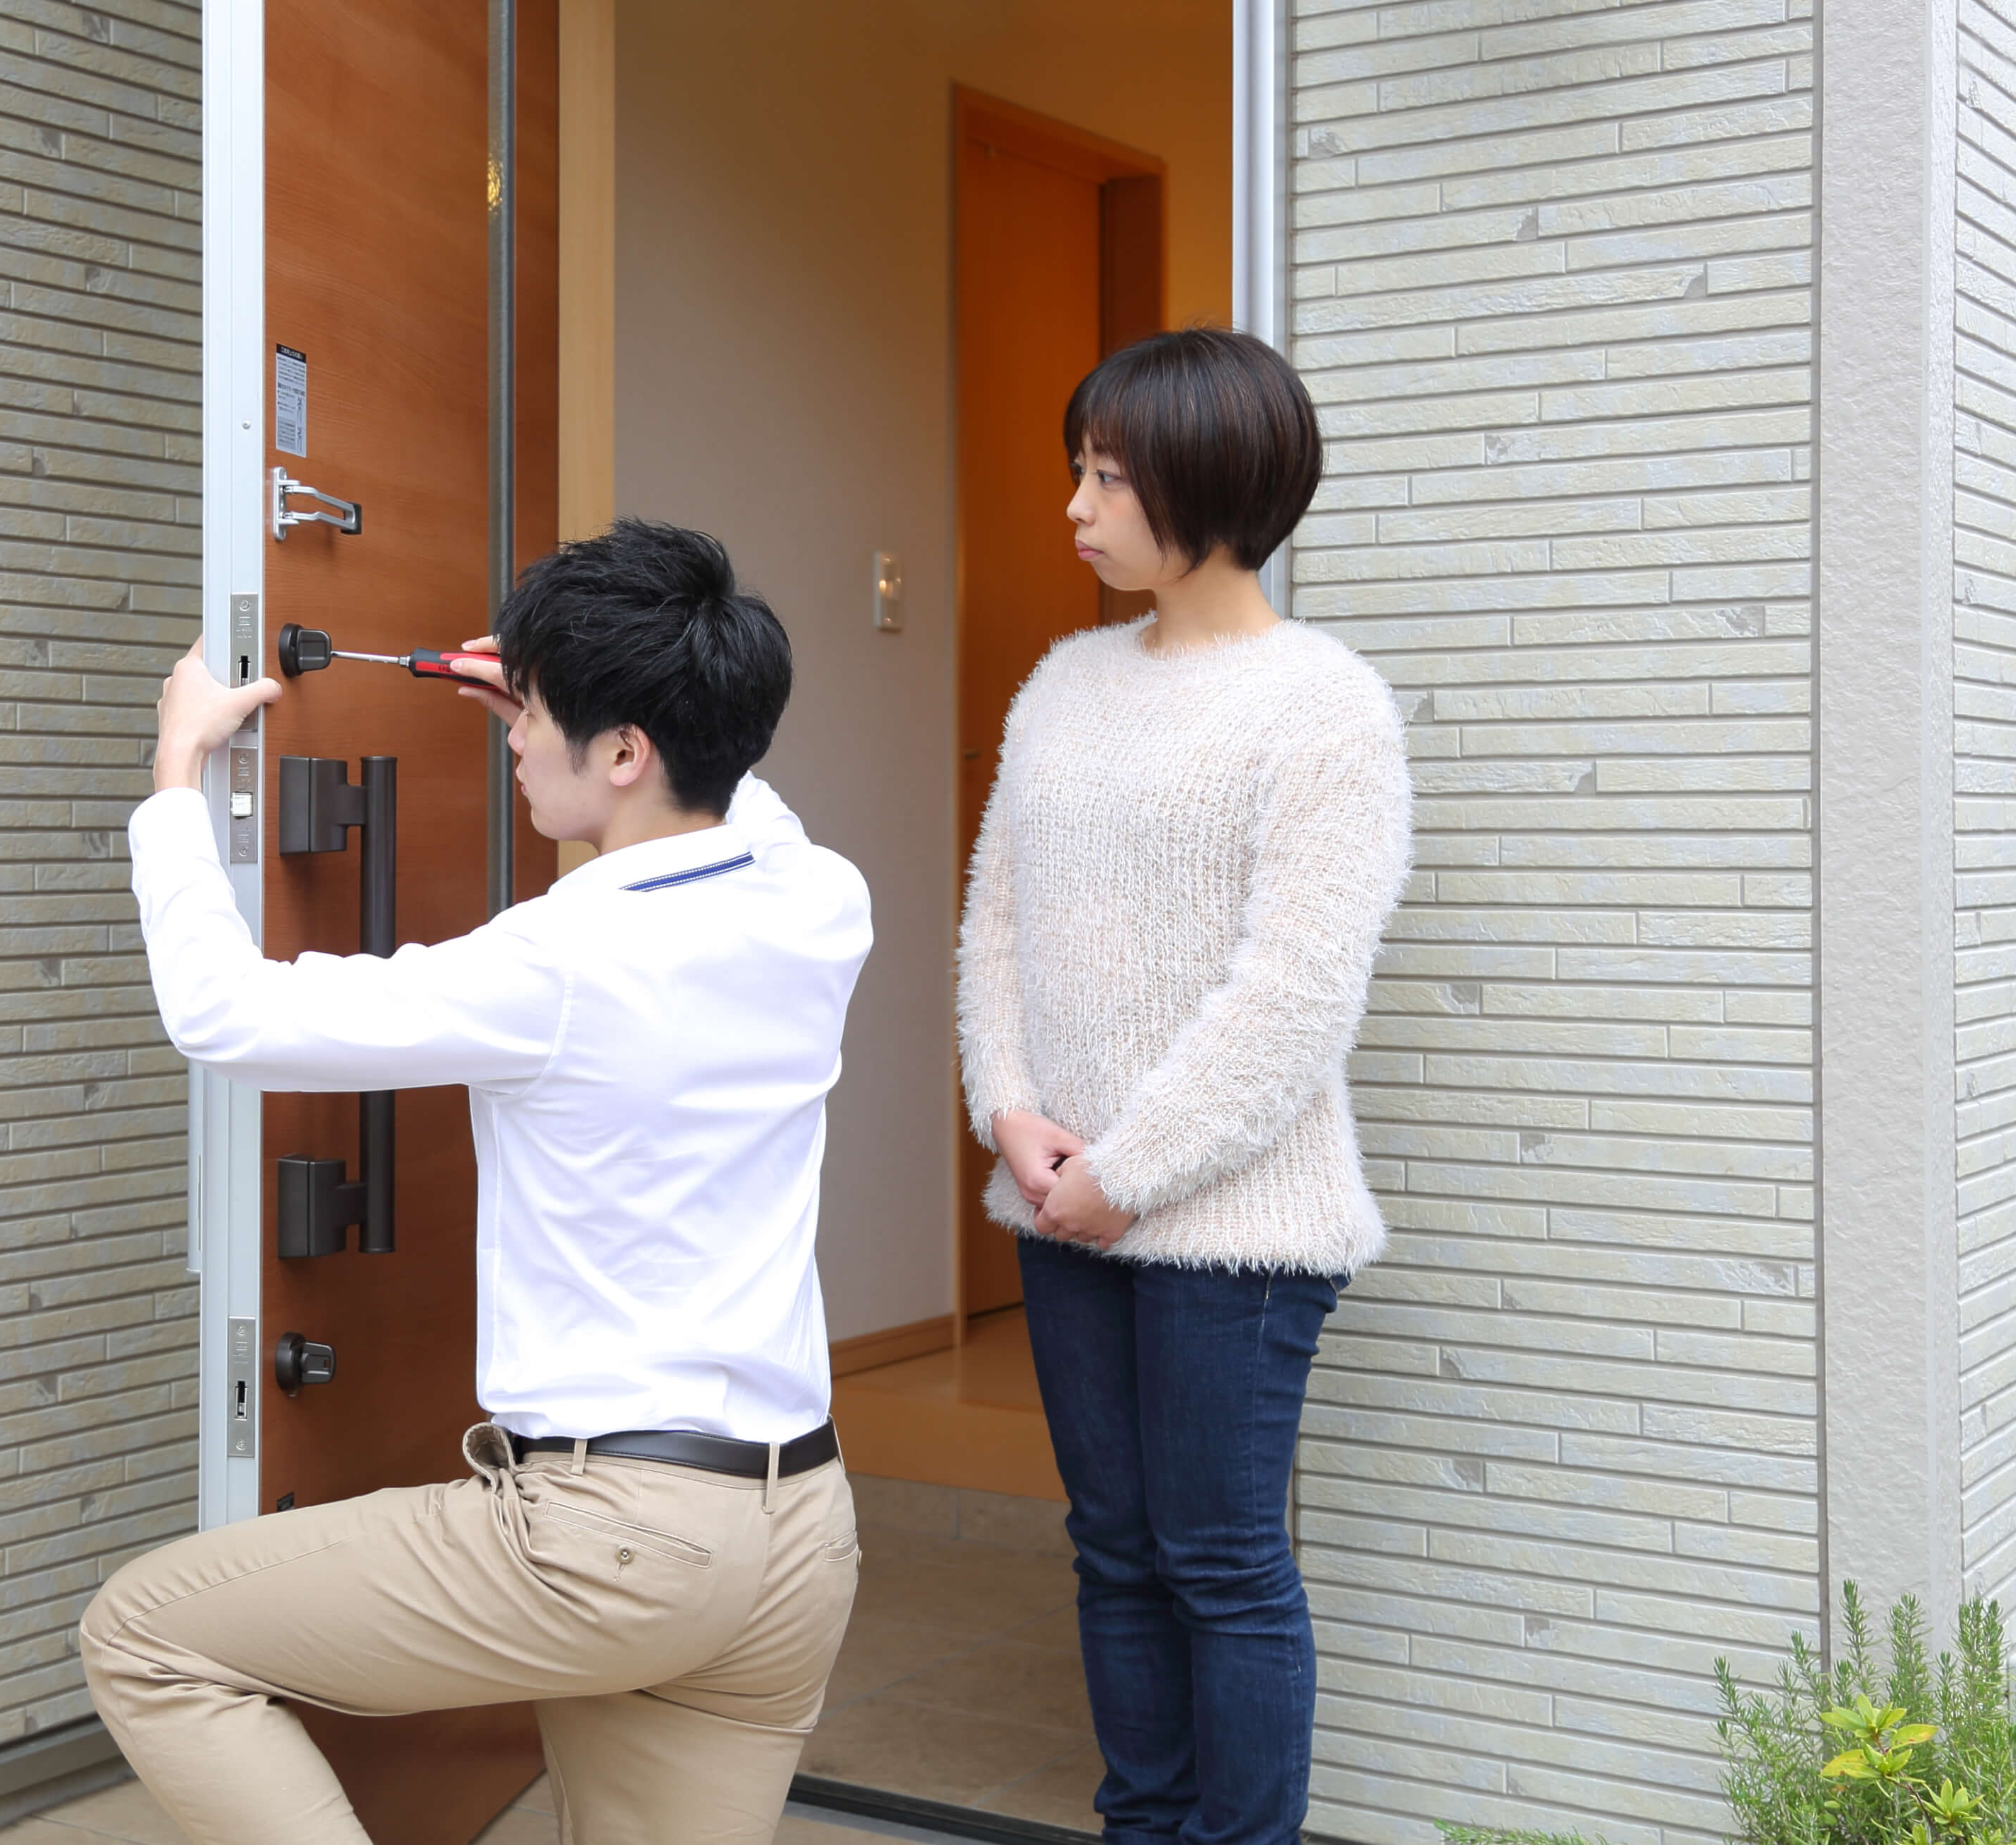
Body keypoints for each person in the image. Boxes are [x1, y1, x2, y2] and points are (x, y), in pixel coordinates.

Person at [81, 518, 874, 1845]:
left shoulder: (561, 957)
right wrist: (563, 689)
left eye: (537, 714)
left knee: (149, 1636)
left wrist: (178, 773)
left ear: (625, 752)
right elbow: (737, 790)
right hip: (796, 1538)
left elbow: (228, 1017)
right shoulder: (819, 901)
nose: (512, 735)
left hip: (612, 1538)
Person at [956, 327, 1412, 1845]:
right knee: (1112, 1551)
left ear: (1208, 486)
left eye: (1106, 477)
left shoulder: (1320, 705)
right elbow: (996, 922)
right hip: (1059, 1199)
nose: (1075, 507)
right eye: (1076, 471)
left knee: (1218, 1561)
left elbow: (1293, 995)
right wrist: (1007, 1110)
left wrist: (1123, 1171)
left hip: (1232, 1226)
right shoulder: (1061, 684)